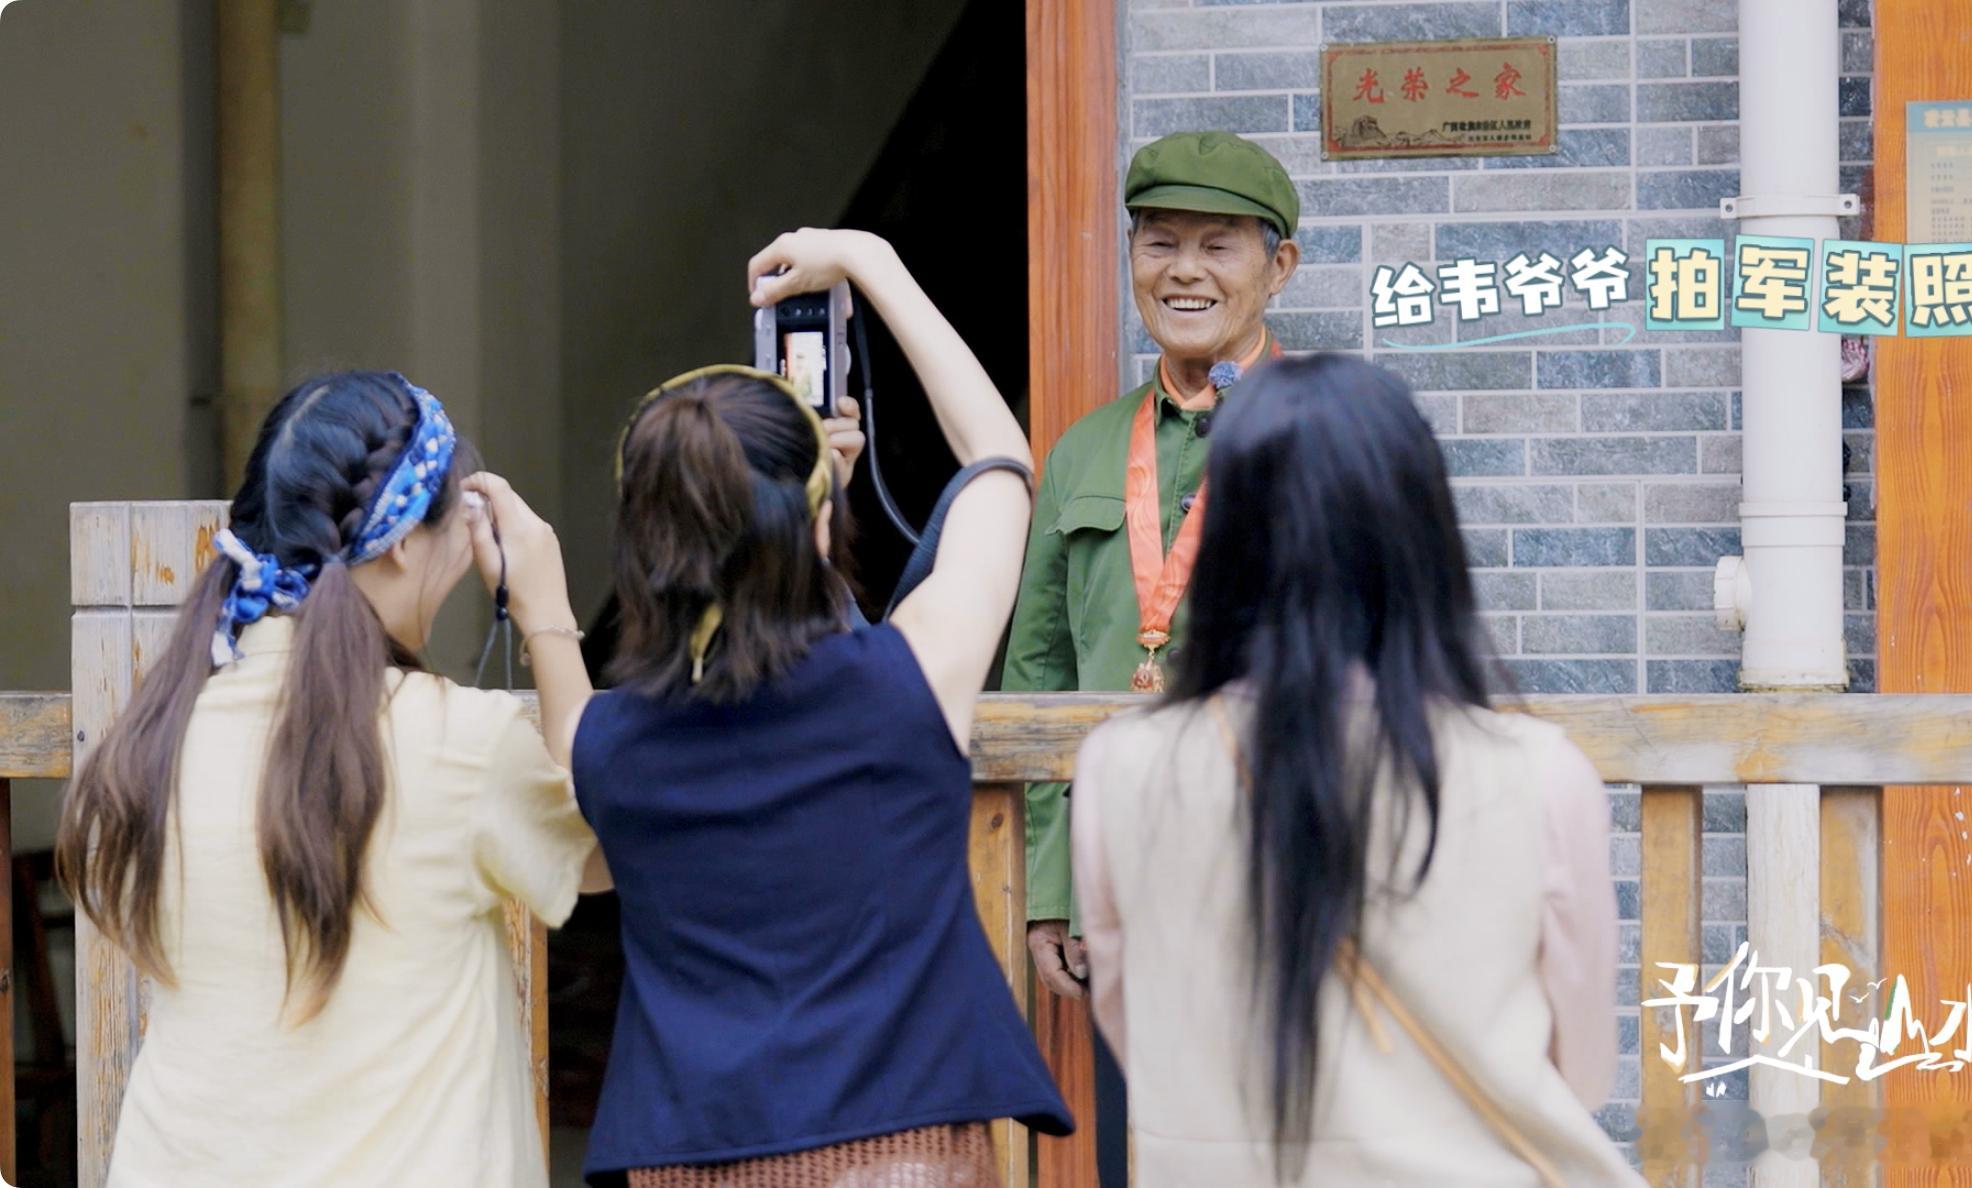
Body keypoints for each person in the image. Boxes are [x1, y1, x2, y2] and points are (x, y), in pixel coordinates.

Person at [568, 228, 1072, 1187]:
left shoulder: (609, 745)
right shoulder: (906, 682)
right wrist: (871, 259)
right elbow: (998, 457)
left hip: (689, 1159)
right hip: (903, 1154)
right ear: (815, 520)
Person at [1069, 353, 1643, 1186]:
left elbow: (1135, 1031)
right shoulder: (1540, 775)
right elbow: (1580, 1075)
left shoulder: (1118, 769)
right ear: (1420, 535)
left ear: (1225, 540)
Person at [58, 371, 610, 1188]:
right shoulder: (458, 743)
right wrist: (547, 615)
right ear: (401, 543)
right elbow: (603, 848)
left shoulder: (154, 738)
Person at [1000, 128, 1303, 1181]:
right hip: (1124, 878)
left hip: (1283, 869)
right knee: (1144, 1156)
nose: (1184, 271)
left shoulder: (1325, 435)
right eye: (1160, 241)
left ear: (1279, 264)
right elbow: (1036, 675)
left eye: (1218, 245)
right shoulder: (1083, 448)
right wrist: (1051, 886)